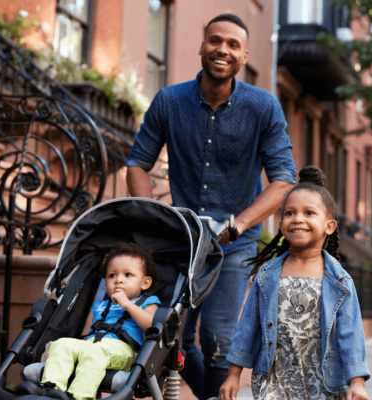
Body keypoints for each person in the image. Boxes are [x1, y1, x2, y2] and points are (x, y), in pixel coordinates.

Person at [124, 13, 297, 399]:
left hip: (232, 246)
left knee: (220, 340)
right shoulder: (169, 101)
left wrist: (237, 225)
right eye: (215, 41)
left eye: (233, 45)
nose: (223, 50)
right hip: (180, 241)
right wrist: (152, 219)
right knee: (172, 337)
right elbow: (137, 163)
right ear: (202, 47)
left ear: (244, 55)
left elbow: (284, 179)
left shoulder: (264, 107)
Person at [220, 167, 370, 400]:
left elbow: (351, 335)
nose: (298, 218)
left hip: (324, 385)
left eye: (309, 213)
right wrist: (233, 375)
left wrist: (357, 382)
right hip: (274, 382)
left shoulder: (339, 280)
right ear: (281, 225)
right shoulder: (268, 274)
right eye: (289, 213)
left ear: (329, 226)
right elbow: (247, 328)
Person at [15, 242, 161, 400]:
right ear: (105, 284)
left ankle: (78, 397)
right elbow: (87, 332)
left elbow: (152, 326)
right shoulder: (100, 305)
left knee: (95, 351)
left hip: (125, 351)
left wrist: (127, 304)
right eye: (112, 275)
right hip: (92, 345)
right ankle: (50, 389)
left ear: (145, 283)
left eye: (127, 275)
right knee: (63, 343)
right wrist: (79, 346)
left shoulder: (148, 301)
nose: (118, 280)